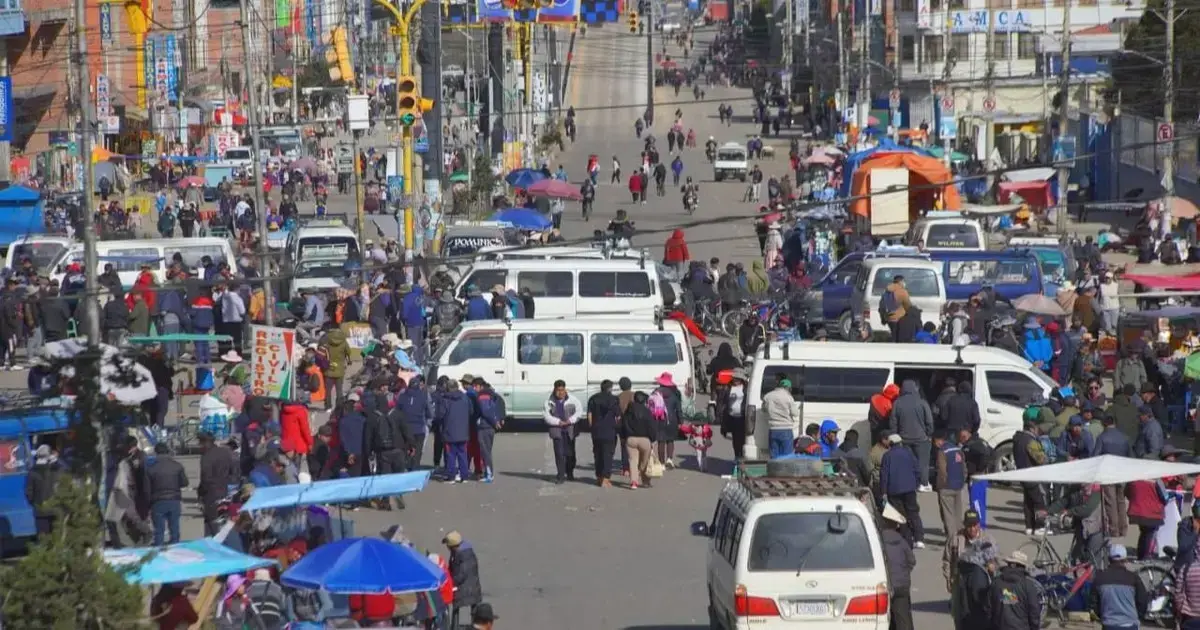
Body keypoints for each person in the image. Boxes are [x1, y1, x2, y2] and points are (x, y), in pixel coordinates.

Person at [943, 509, 998, 629]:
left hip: (981, 586)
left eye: (975, 525)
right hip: (960, 583)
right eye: (969, 526)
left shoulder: (988, 539)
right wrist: (948, 579)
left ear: (979, 524)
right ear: (964, 525)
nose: (972, 529)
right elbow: (947, 560)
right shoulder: (956, 539)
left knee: (981, 617)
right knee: (960, 616)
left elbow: (996, 562)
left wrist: (992, 567)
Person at [889, 379, 935, 491]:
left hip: (904, 440)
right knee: (923, 463)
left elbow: (893, 422)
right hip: (921, 439)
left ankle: (908, 483)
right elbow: (929, 421)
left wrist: (896, 436)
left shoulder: (897, 403)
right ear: (914, 388)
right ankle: (923, 484)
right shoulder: (922, 402)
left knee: (906, 463)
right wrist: (928, 434)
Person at [1090, 544, 1148, 630]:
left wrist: (1102, 616)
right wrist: (1136, 617)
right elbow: (1143, 602)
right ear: (1125, 560)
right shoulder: (1133, 578)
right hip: (1130, 625)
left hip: (1109, 625)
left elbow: (1093, 603)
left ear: (1109, 559)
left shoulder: (1099, 578)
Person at [881, 433, 924, 547]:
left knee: (900, 515)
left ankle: (906, 539)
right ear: (900, 443)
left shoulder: (887, 456)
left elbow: (884, 476)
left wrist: (884, 492)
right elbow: (917, 469)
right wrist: (917, 483)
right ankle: (919, 538)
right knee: (913, 512)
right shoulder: (908, 453)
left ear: (890, 444)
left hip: (894, 490)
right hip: (909, 488)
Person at [983, 551, 1042, 630]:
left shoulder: (996, 583)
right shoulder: (1028, 585)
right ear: (1023, 567)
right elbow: (1034, 613)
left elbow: (987, 610)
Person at [146, 442, 188, 546]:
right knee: (174, 529)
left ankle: (158, 551)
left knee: (159, 530)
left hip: (157, 502)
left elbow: (147, 489)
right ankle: (175, 548)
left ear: (155, 453)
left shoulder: (151, 469)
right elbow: (184, 483)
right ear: (168, 452)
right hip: (174, 500)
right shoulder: (177, 466)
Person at [881, 503, 915, 630]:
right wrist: (903, 572)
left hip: (885, 586)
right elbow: (912, 560)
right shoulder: (901, 541)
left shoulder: (878, 541)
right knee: (904, 619)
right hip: (902, 585)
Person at [197, 432, 238, 536]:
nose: (199, 446)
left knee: (210, 524)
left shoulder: (206, 457)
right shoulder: (225, 452)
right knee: (223, 523)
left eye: (200, 443)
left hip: (211, 495)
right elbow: (234, 471)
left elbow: (205, 479)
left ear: (206, 443)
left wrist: (200, 494)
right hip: (225, 492)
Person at [543, 380, 582, 483]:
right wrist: (558, 422)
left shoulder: (573, 400)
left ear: (565, 389)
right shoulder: (549, 402)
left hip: (570, 430)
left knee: (570, 454)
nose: (560, 392)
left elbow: (579, 412)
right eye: (558, 390)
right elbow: (546, 416)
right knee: (559, 454)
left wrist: (570, 420)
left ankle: (570, 473)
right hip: (557, 430)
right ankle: (560, 475)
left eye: (562, 390)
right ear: (554, 390)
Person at [934, 429, 967, 543]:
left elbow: (942, 471)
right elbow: (964, 468)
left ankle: (952, 540)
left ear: (939, 441)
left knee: (948, 515)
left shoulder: (942, 451)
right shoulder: (958, 449)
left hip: (946, 487)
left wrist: (940, 485)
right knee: (958, 513)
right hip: (958, 486)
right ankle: (961, 537)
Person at [444, 531, 482, 627]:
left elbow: (462, 574)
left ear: (452, 545)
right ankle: (473, 625)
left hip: (465, 587)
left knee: (456, 604)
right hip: (473, 586)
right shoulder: (461, 552)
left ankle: (455, 626)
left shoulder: (462, 554)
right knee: (473, 606)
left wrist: (451, 583)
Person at [587, 379, 620, 487]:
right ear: (610, 388)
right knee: (608, 455)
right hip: (610, 430)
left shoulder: (593, 398)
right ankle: (606, 478)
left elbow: (590, 415)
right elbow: (618, 416)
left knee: (598, 454)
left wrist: (592, 427)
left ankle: (599, 477)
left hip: (596, 430)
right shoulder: (614, 399)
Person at [622, 390, 658, 489]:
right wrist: (653, 439)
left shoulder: (628, 411)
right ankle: (645, 481)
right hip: (645, 440)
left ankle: (634, 481)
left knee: (633, 460)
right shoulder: (647, 412)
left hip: (631, 439)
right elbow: (651, 427)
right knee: (645, 461)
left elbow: (623, 425)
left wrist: (623, 437)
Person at [25, 445, 59, 535]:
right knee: (57, 538)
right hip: (55, 509)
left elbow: (29, 492)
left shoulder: (32, 472)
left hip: (40, 511)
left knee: (43, 539)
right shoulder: (54, 470)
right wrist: (55, 461)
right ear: (48, 455)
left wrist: (35, 504)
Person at [762, 376, 796, 457]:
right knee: (787, 457)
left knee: (774, 456)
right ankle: (785, 470)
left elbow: (764, 409)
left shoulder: (768, 396)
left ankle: (774, 470)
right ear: (788, 387)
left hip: (773, 430)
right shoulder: (789, 397)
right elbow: (795, 413)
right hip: (786, 429)